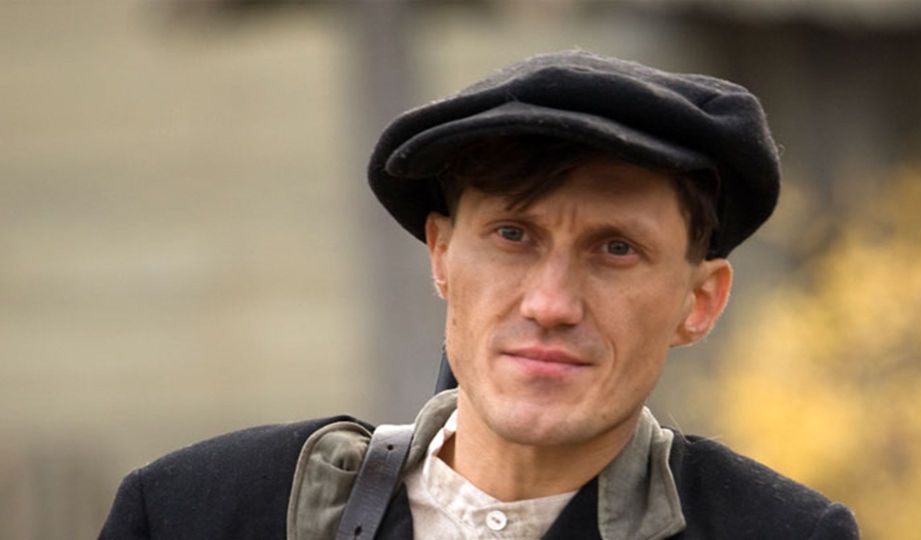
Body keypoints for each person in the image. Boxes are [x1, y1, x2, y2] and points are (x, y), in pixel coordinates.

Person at [99, 50, 859, 539]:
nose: (551, 304)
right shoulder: (195, 513)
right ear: (440, 254)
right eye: (513, 234)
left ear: (700, 301)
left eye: (616, 249)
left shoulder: (779, 532)